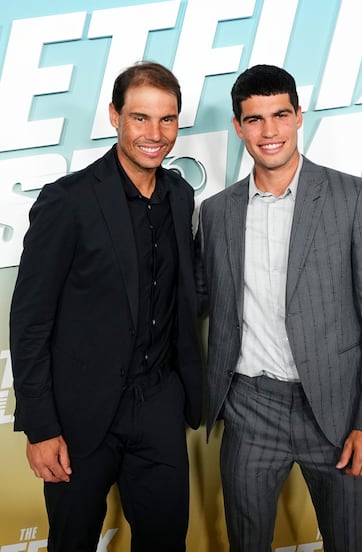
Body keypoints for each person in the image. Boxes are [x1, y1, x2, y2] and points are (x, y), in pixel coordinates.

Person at [195, 64, 362, 552]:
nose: (270, 131)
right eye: (255, 119)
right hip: (249, 408)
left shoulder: (353, 196)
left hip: (337, 411)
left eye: (280, 115)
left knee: (347, 542)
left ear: (299, 117)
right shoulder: (217, 212)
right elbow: (198, 302)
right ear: (238, 126)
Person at [10, 61, 202, 552]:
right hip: (78, 415)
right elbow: (30, 320)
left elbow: (185, 294)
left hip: (159, 405)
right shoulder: (67, 201)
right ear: (114, 116)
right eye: (140, 118)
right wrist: (41, 427)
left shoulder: (181, 196)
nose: (154, 134)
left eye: (167, 119)